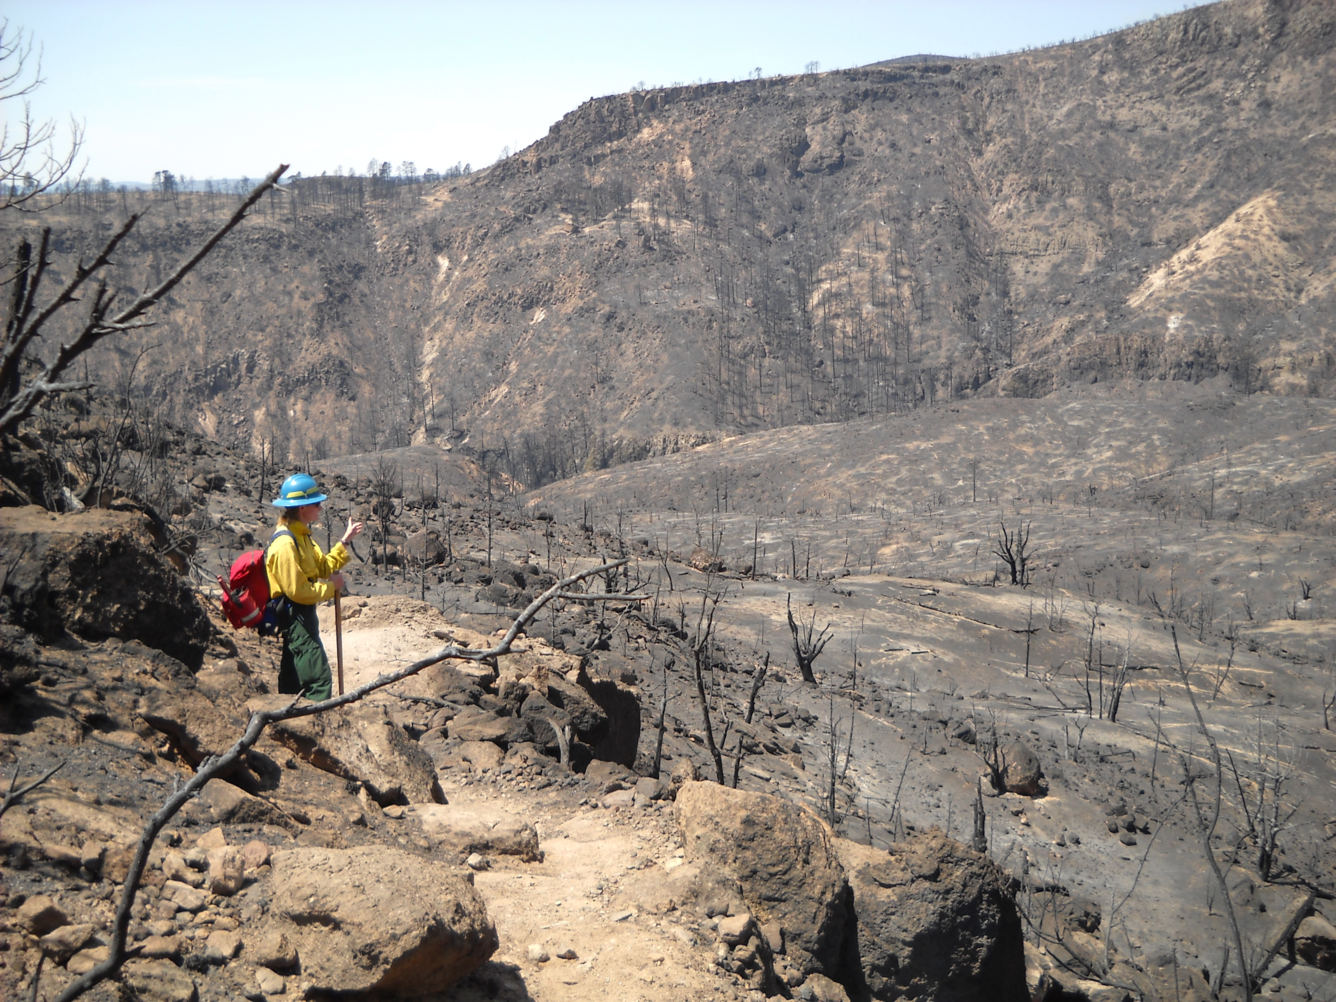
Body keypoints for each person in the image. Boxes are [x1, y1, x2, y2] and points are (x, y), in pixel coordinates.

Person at [265, 472, 364, 700]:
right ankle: (317, 729)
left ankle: (288, 720)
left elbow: (323, 566)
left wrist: (345, 540)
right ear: (302, 508)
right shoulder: (285, 543)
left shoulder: (302, 537)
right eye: (316, 504)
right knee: (318, 680)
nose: (320, 508)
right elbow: (298, 591)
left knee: (294, 677)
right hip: (295, 617)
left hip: (303, 615)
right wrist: (331, 588)